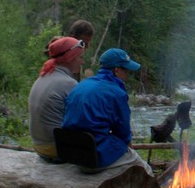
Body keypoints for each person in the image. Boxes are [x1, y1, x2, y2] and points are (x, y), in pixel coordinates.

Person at [61, 47, 152, 176]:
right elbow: (123, 132)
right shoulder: (116, 93)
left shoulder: (80, 85)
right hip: (94, 157)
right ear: (116, 70)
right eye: (126, 70)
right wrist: (128, 147)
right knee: (144, 169)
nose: (127, 74)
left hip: (72, 153)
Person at [28, 36, 85, 160]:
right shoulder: (69, 84)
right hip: (57, 150)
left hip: (38, 147)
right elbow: (83, 121)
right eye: (80, 57)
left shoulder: (43, 77)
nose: (82, 62)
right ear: (70, 58)